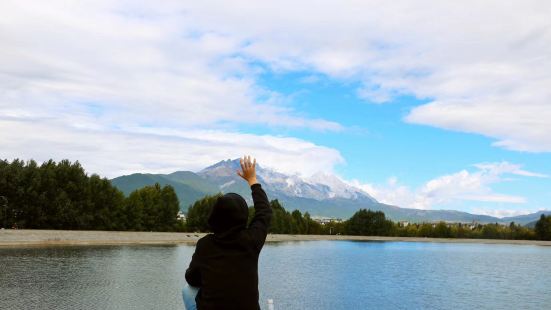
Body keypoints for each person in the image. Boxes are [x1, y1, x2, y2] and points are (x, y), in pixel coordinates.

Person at [183, 155, 273, 310]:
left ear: (214, 218)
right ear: (243, 216)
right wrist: (252, 180)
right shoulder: (251, 240)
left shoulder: (205, 245)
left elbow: (191, 279)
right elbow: (264, 212)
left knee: (187, 291)